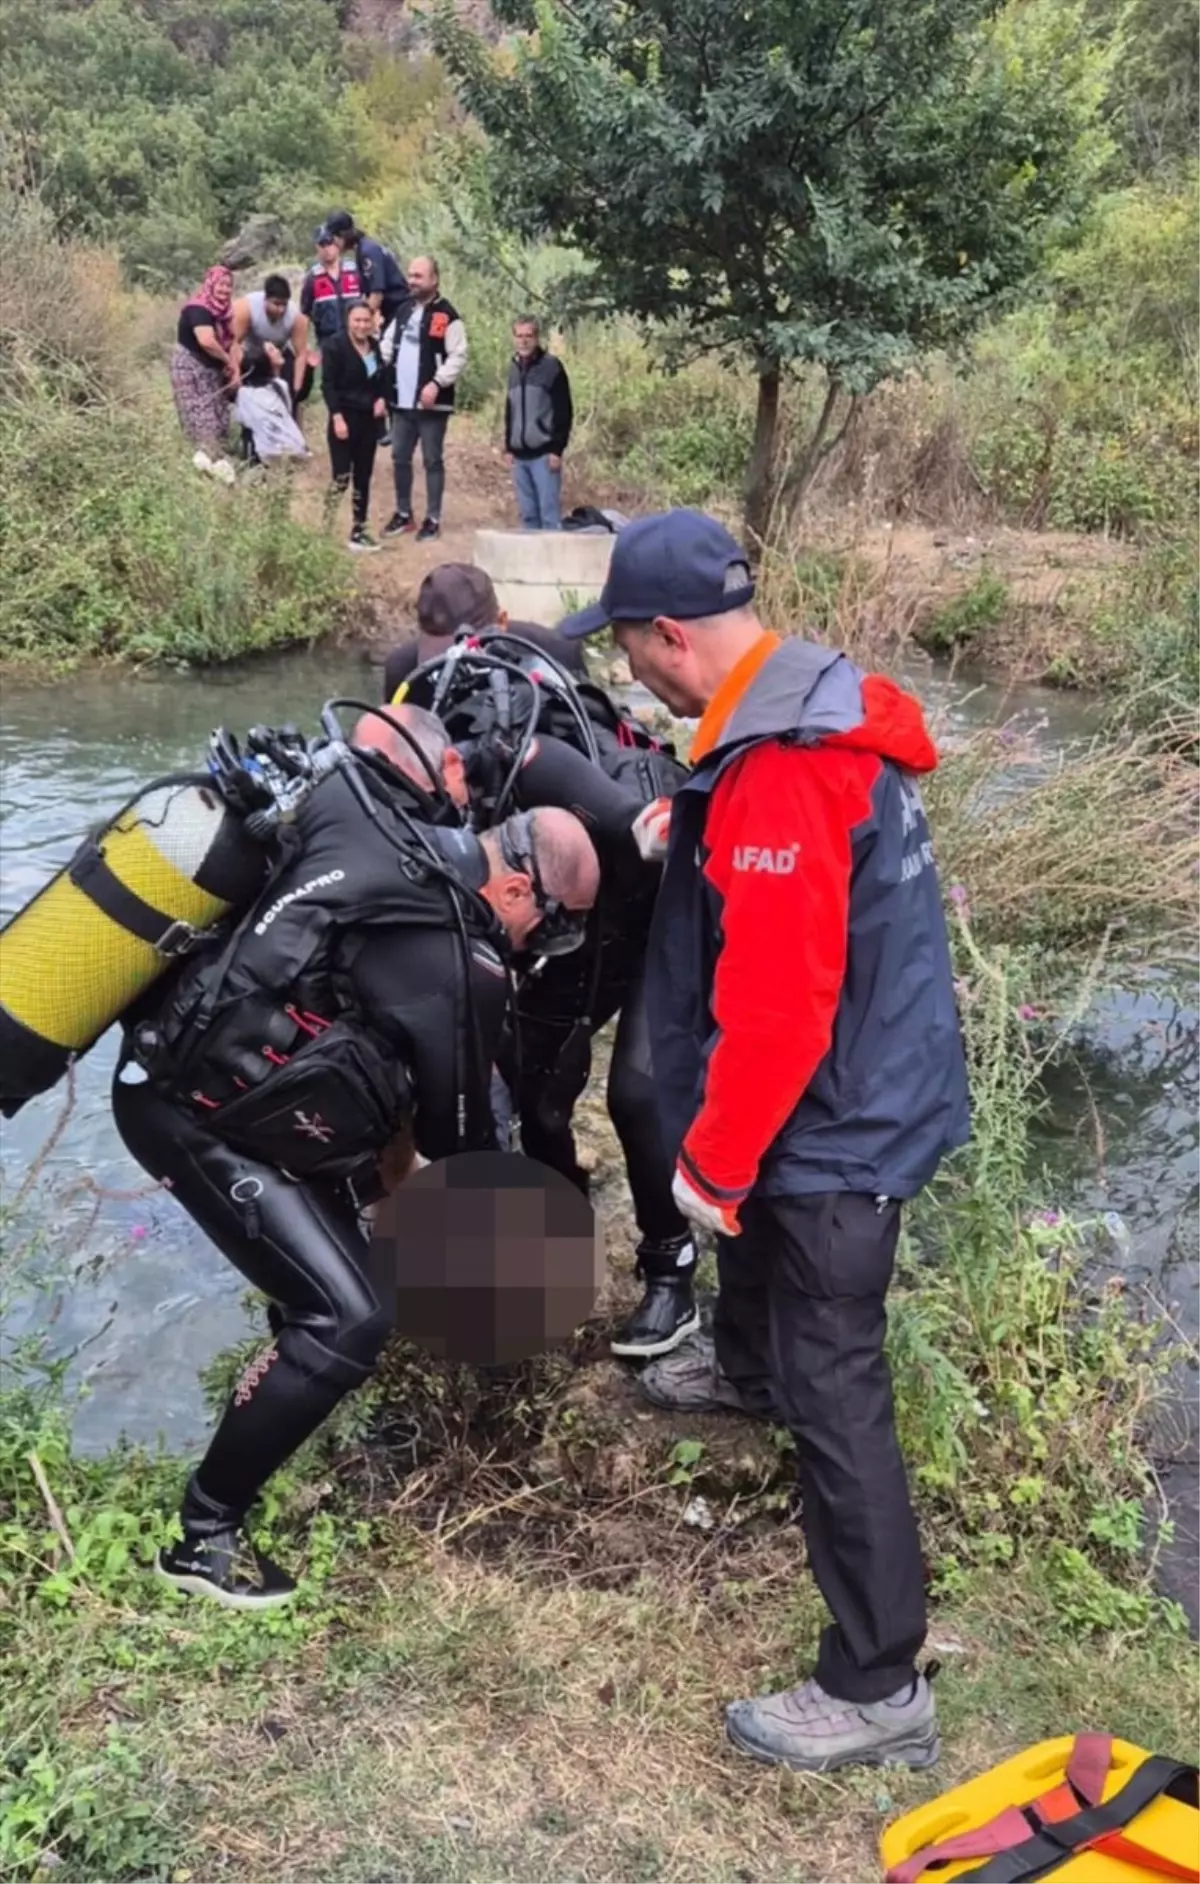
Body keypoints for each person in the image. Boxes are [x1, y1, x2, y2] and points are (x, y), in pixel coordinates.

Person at [559, 508, 971, 1773]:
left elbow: (784, 1007)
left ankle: (876, 1681)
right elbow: (800, 868)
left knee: (838, 1383)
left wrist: (713, 1160)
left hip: (839, 1125)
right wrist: (709, 829)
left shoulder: (786, 764)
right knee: (758, 1268)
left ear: (670, 635)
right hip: (859, 1083)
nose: (624, 667)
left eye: (625, 646)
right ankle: (741, 1371)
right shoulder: (802, 706)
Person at [113, 752, 601, 1610]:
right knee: (347, 1315)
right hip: (189, 1114)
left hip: (209, 1085)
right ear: (517, 891)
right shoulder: (465, 963)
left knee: (335, 1277)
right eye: (554, 929)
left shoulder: (396, 850)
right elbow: (460, 1146)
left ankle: (287, 1412)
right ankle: (202, 1535)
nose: (542, 950)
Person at [404, 632, 700, 1357]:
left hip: (655, 895)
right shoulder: (416, 786)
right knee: (535, 1088)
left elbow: (662, 842)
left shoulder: (540, 769)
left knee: (637, 1091)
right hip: (556, 909)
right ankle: (547, 1235)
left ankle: (672, 1270)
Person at [381, 563, 586, 704]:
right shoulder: (405, 671)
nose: (450, 668)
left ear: (502, 622)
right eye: (438, 657)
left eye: (466, 650)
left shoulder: (554, 654)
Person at [380, 257, 467, 542]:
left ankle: (433, 518)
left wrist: (436, 383)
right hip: (401, 403)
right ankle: (404, 514)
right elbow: (385, 348)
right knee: (400, 457)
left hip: (432, 404)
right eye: (410, 275)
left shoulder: (447, 315)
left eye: (419, 276)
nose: (412, 280)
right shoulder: (403, 311)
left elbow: (458, 356)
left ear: (434, 279)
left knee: (432, 459)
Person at [322, 302, 387, 552]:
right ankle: (325, 528)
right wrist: (337, 417)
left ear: (371, 322)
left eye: (365, 321)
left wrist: (381, 399)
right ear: (348, 321)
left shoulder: (373, 347)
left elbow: (380, 378)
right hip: (344, 417)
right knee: (341, 476)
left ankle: (359, 529)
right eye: (357, 320)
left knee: (363, 476)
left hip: (368, 420)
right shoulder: (335, 346)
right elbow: (328, 386)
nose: (361, 325)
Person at [505, 316, 573, 532]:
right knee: (528, 517)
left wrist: (557, 449)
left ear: (537, 338)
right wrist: (509, 446)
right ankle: (529, 565)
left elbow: (564, 410)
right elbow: (510, 409)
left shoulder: (551, 367)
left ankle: (554, 565)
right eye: (519, 336)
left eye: (529, 336)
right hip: (520, 456)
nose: (524, 341)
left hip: (544, 455)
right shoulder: (513, 368)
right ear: (514, 338)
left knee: (549, 517)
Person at [170, 264, 237, 481]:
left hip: (212, 371)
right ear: (210, 284)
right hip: (190, 368)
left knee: (219, 417)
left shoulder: (225, 312)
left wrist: (233, 367)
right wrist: (227, 360)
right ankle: (205, 470)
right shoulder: (198, 309)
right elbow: (207, 341)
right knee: (200, 416)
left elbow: (234, 340)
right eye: (221, 284)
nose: (225, 289)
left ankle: (216, 465)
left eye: (229, 285)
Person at [232, 275, 310, 412]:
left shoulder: (296, 316)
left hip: (281, 353)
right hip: (252, 354)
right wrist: (236, 375)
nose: (280, 310)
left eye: (284, 305)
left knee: (287, 395)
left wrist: (296, 388)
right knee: (255, 400)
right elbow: (233, 343)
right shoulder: (246, 307)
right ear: (265, 299)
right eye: (276, 304)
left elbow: (301, 354)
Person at [321, 210, 408, 329]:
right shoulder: (361, 250)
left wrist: (363, 323)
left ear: (342, 236)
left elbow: (376, 294)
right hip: (392, 313)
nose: (332, 244)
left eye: (333, 238)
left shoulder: (368, 251)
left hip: (399, 311)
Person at [299, 226, 367, 368]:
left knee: (370, 375)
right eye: (322, 244)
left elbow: (371, 302)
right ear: (316, 247)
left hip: (360, 339)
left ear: (337, 245)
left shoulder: (355, 271)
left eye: (329, 243)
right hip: (328, 343)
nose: (326, 248)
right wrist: (304, 347)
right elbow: (304, 316)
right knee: (333, 384)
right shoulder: (312, 279)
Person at [234, 339, 309, 465]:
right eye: (271, 350)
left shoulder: (244, 393)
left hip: (267, 451)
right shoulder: (281, 386)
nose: (278, 351)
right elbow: (288, 413)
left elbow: (243, 419)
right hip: (295, 447)